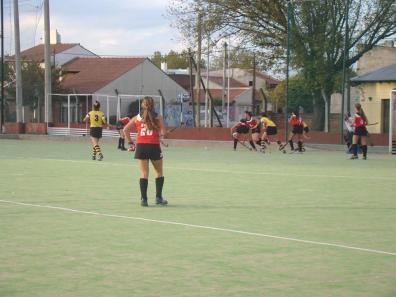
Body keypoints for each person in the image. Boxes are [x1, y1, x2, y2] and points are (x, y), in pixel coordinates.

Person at [123, 96, 168, 206]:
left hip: (141, 147)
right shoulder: (158, 117)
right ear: (153, 105)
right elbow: (163, 133)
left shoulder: (137, 118)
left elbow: (125, 130)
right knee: (159, 172)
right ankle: (158, 198)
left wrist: (130, 143)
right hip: (154, 147)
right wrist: (161, 134)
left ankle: (144, 199)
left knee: (144, 173)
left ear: (142, 105)